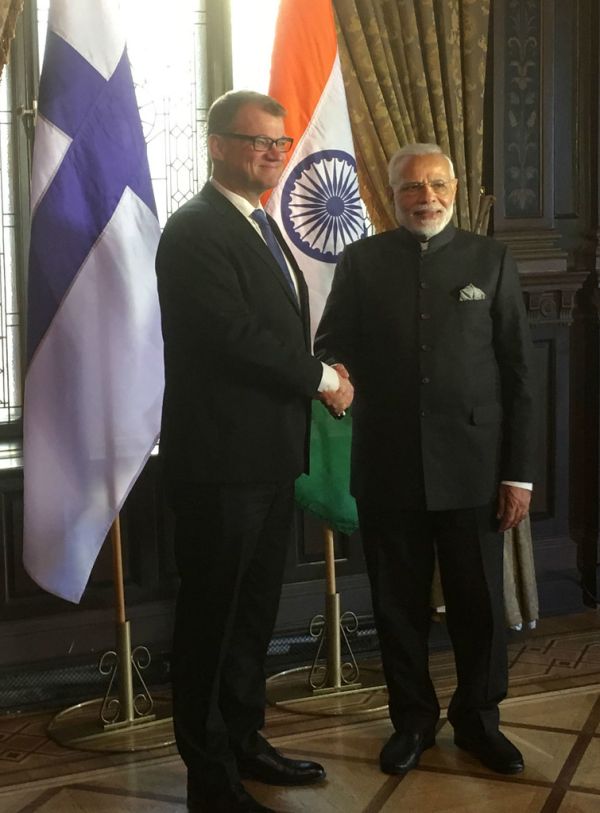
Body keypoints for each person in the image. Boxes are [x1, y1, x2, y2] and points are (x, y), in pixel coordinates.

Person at [156, 90, 353, 813]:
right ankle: (209, 777)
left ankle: (244, 741)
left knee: (251, 616)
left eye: (280, 141)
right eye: (257, 141)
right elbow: (234, 338)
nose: (273, 152)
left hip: (268, 462)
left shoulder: (261, 223)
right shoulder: (195, 229)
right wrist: (324, 378)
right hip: (219, 466)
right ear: (217, 145)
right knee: (212, 621)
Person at [314, 143, 536, 778]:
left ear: (455, 190)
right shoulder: (361, 261)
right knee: (397, 604)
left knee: (478, 604)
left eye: (437, 184)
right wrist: (338, 376)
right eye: (412, 187)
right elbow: (330, 346)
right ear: (391, 196)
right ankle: (411, 721)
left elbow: (520, 373)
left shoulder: (490, 260)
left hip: (474, 467)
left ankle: (479, 721)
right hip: (388, 466)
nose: (426, 197)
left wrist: (518, 474)